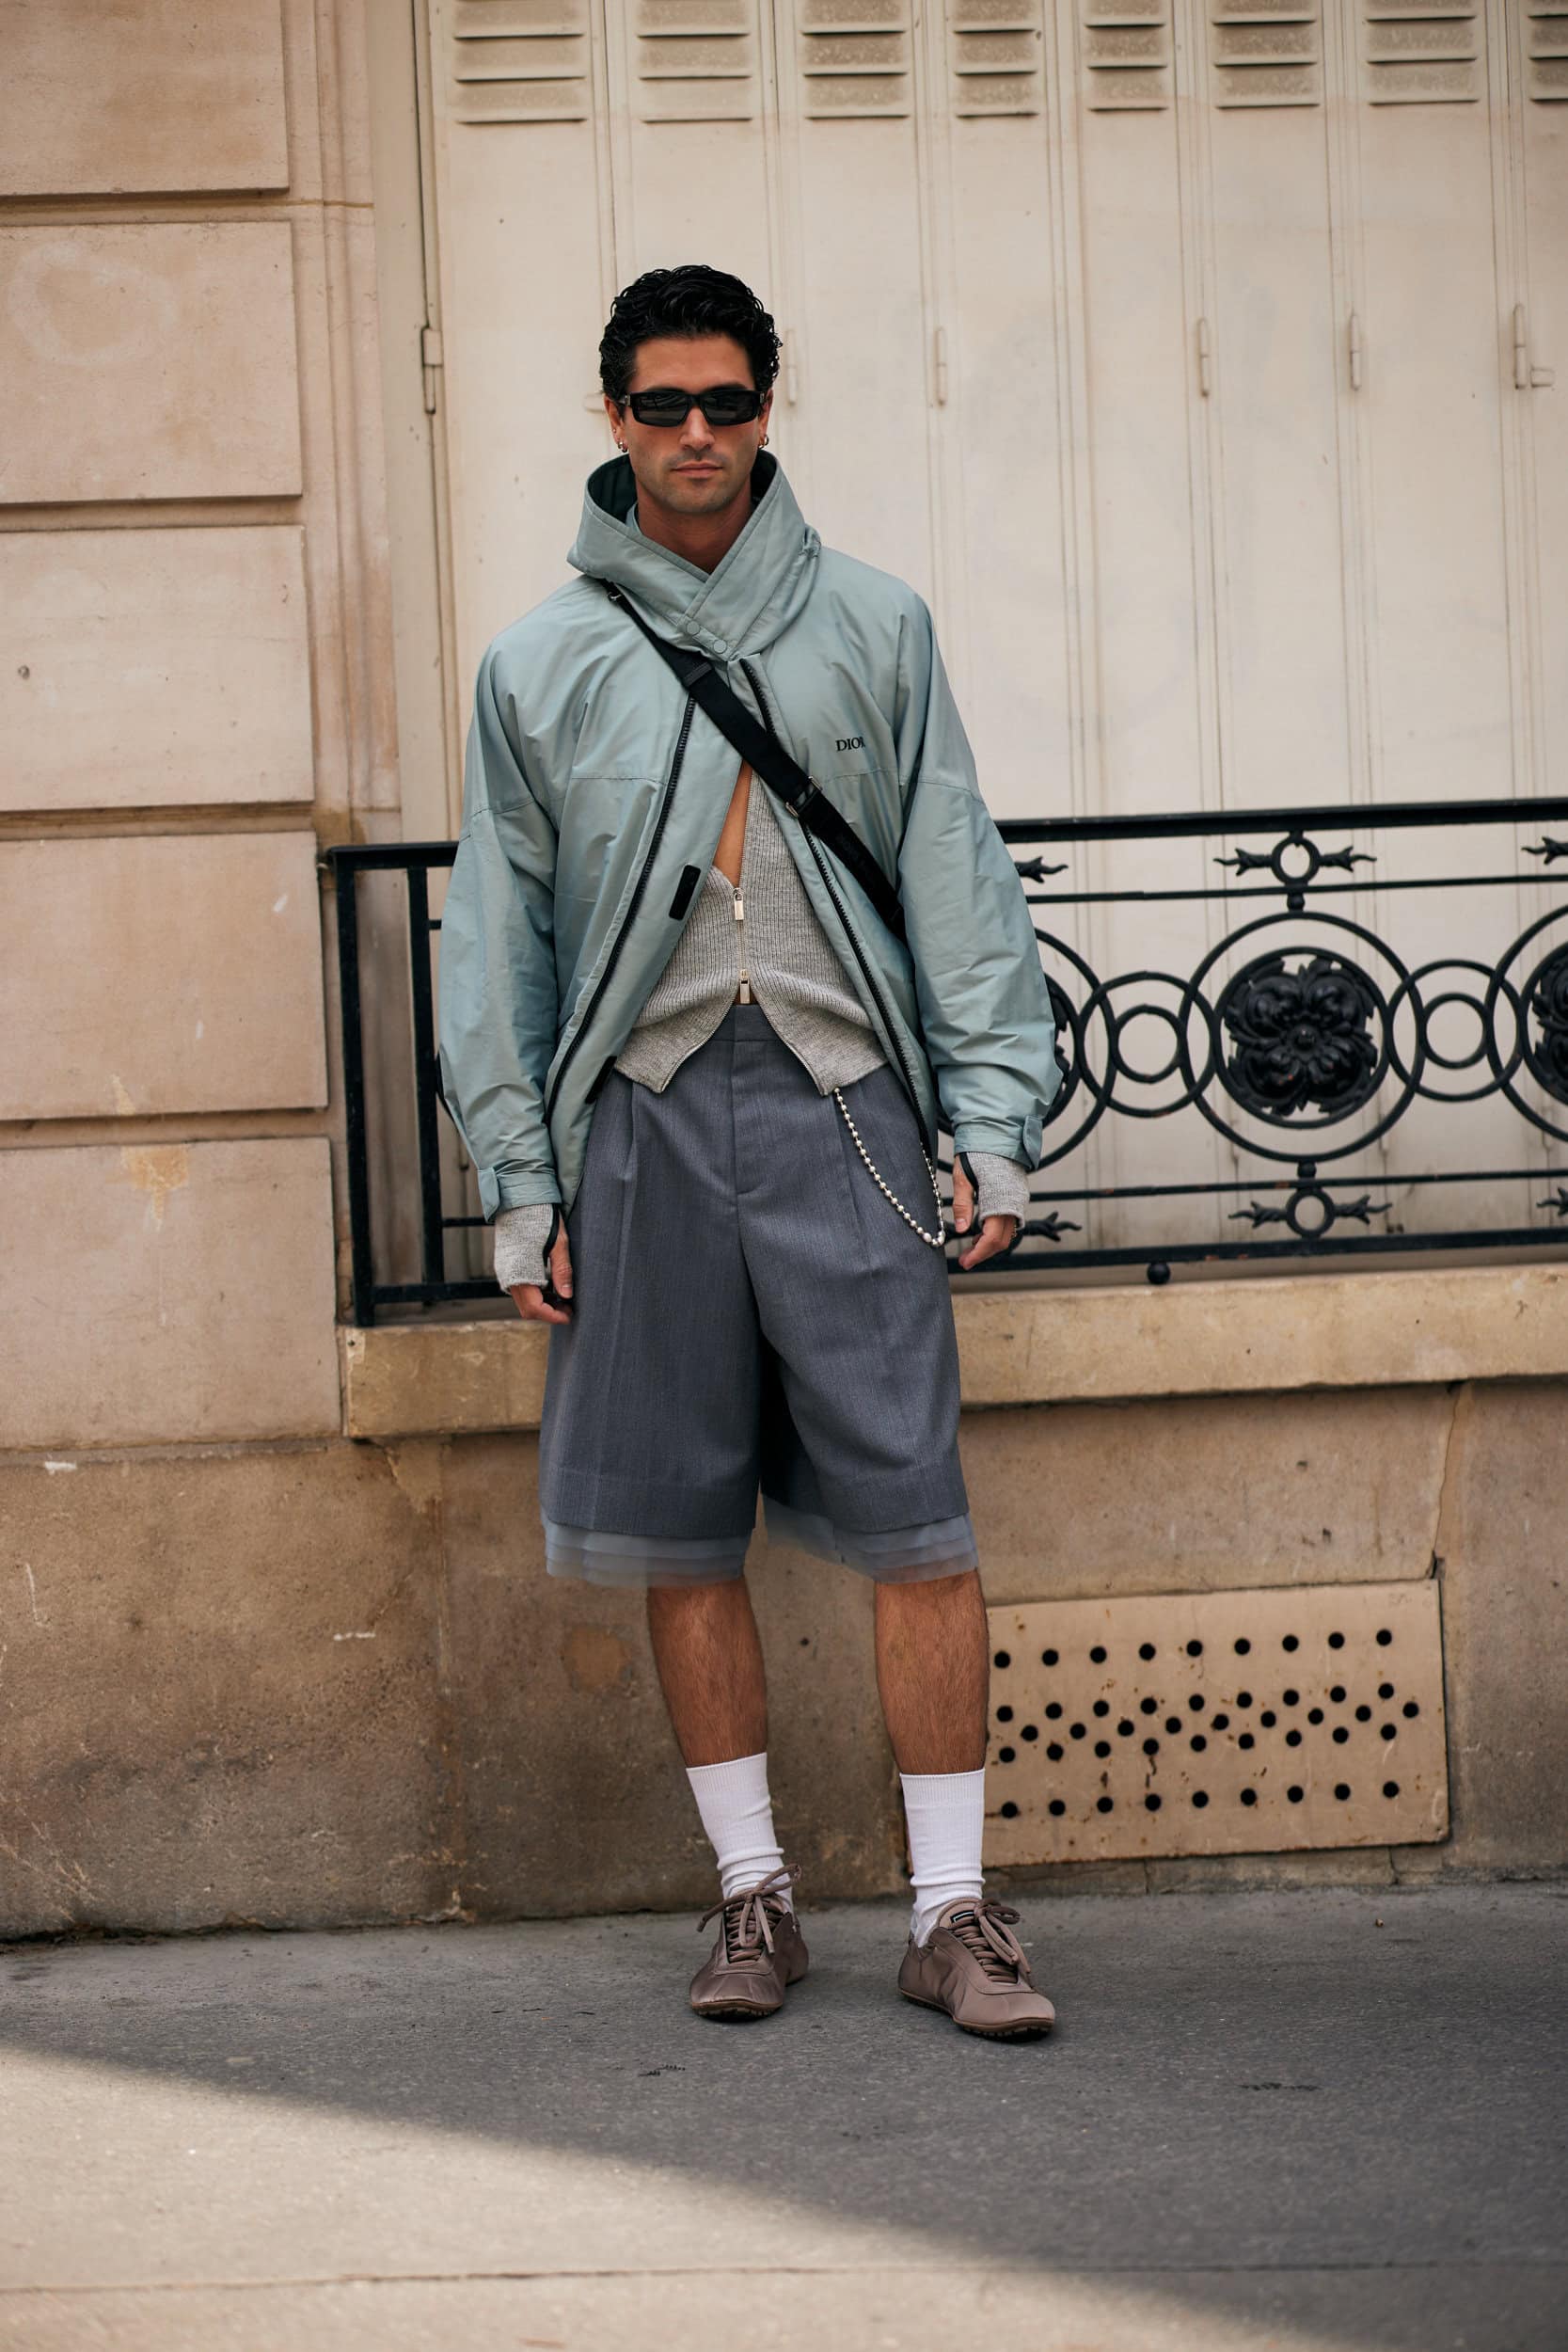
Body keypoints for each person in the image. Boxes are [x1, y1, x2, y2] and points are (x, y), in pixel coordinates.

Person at [437, 264, 1062, 2039]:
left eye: (726, 402)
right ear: (613, 418)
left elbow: (957, 878)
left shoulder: (875, 623)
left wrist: (992, 1121)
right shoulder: (539, 661)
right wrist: (520, 1180)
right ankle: (752, 1896)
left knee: (919, 1516)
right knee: (678, 1525)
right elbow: (498, 937)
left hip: (846, 1096)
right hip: (637, 1117)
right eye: (663, 405)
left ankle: (952, 1914)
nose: (696, 434)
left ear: (768, 410)